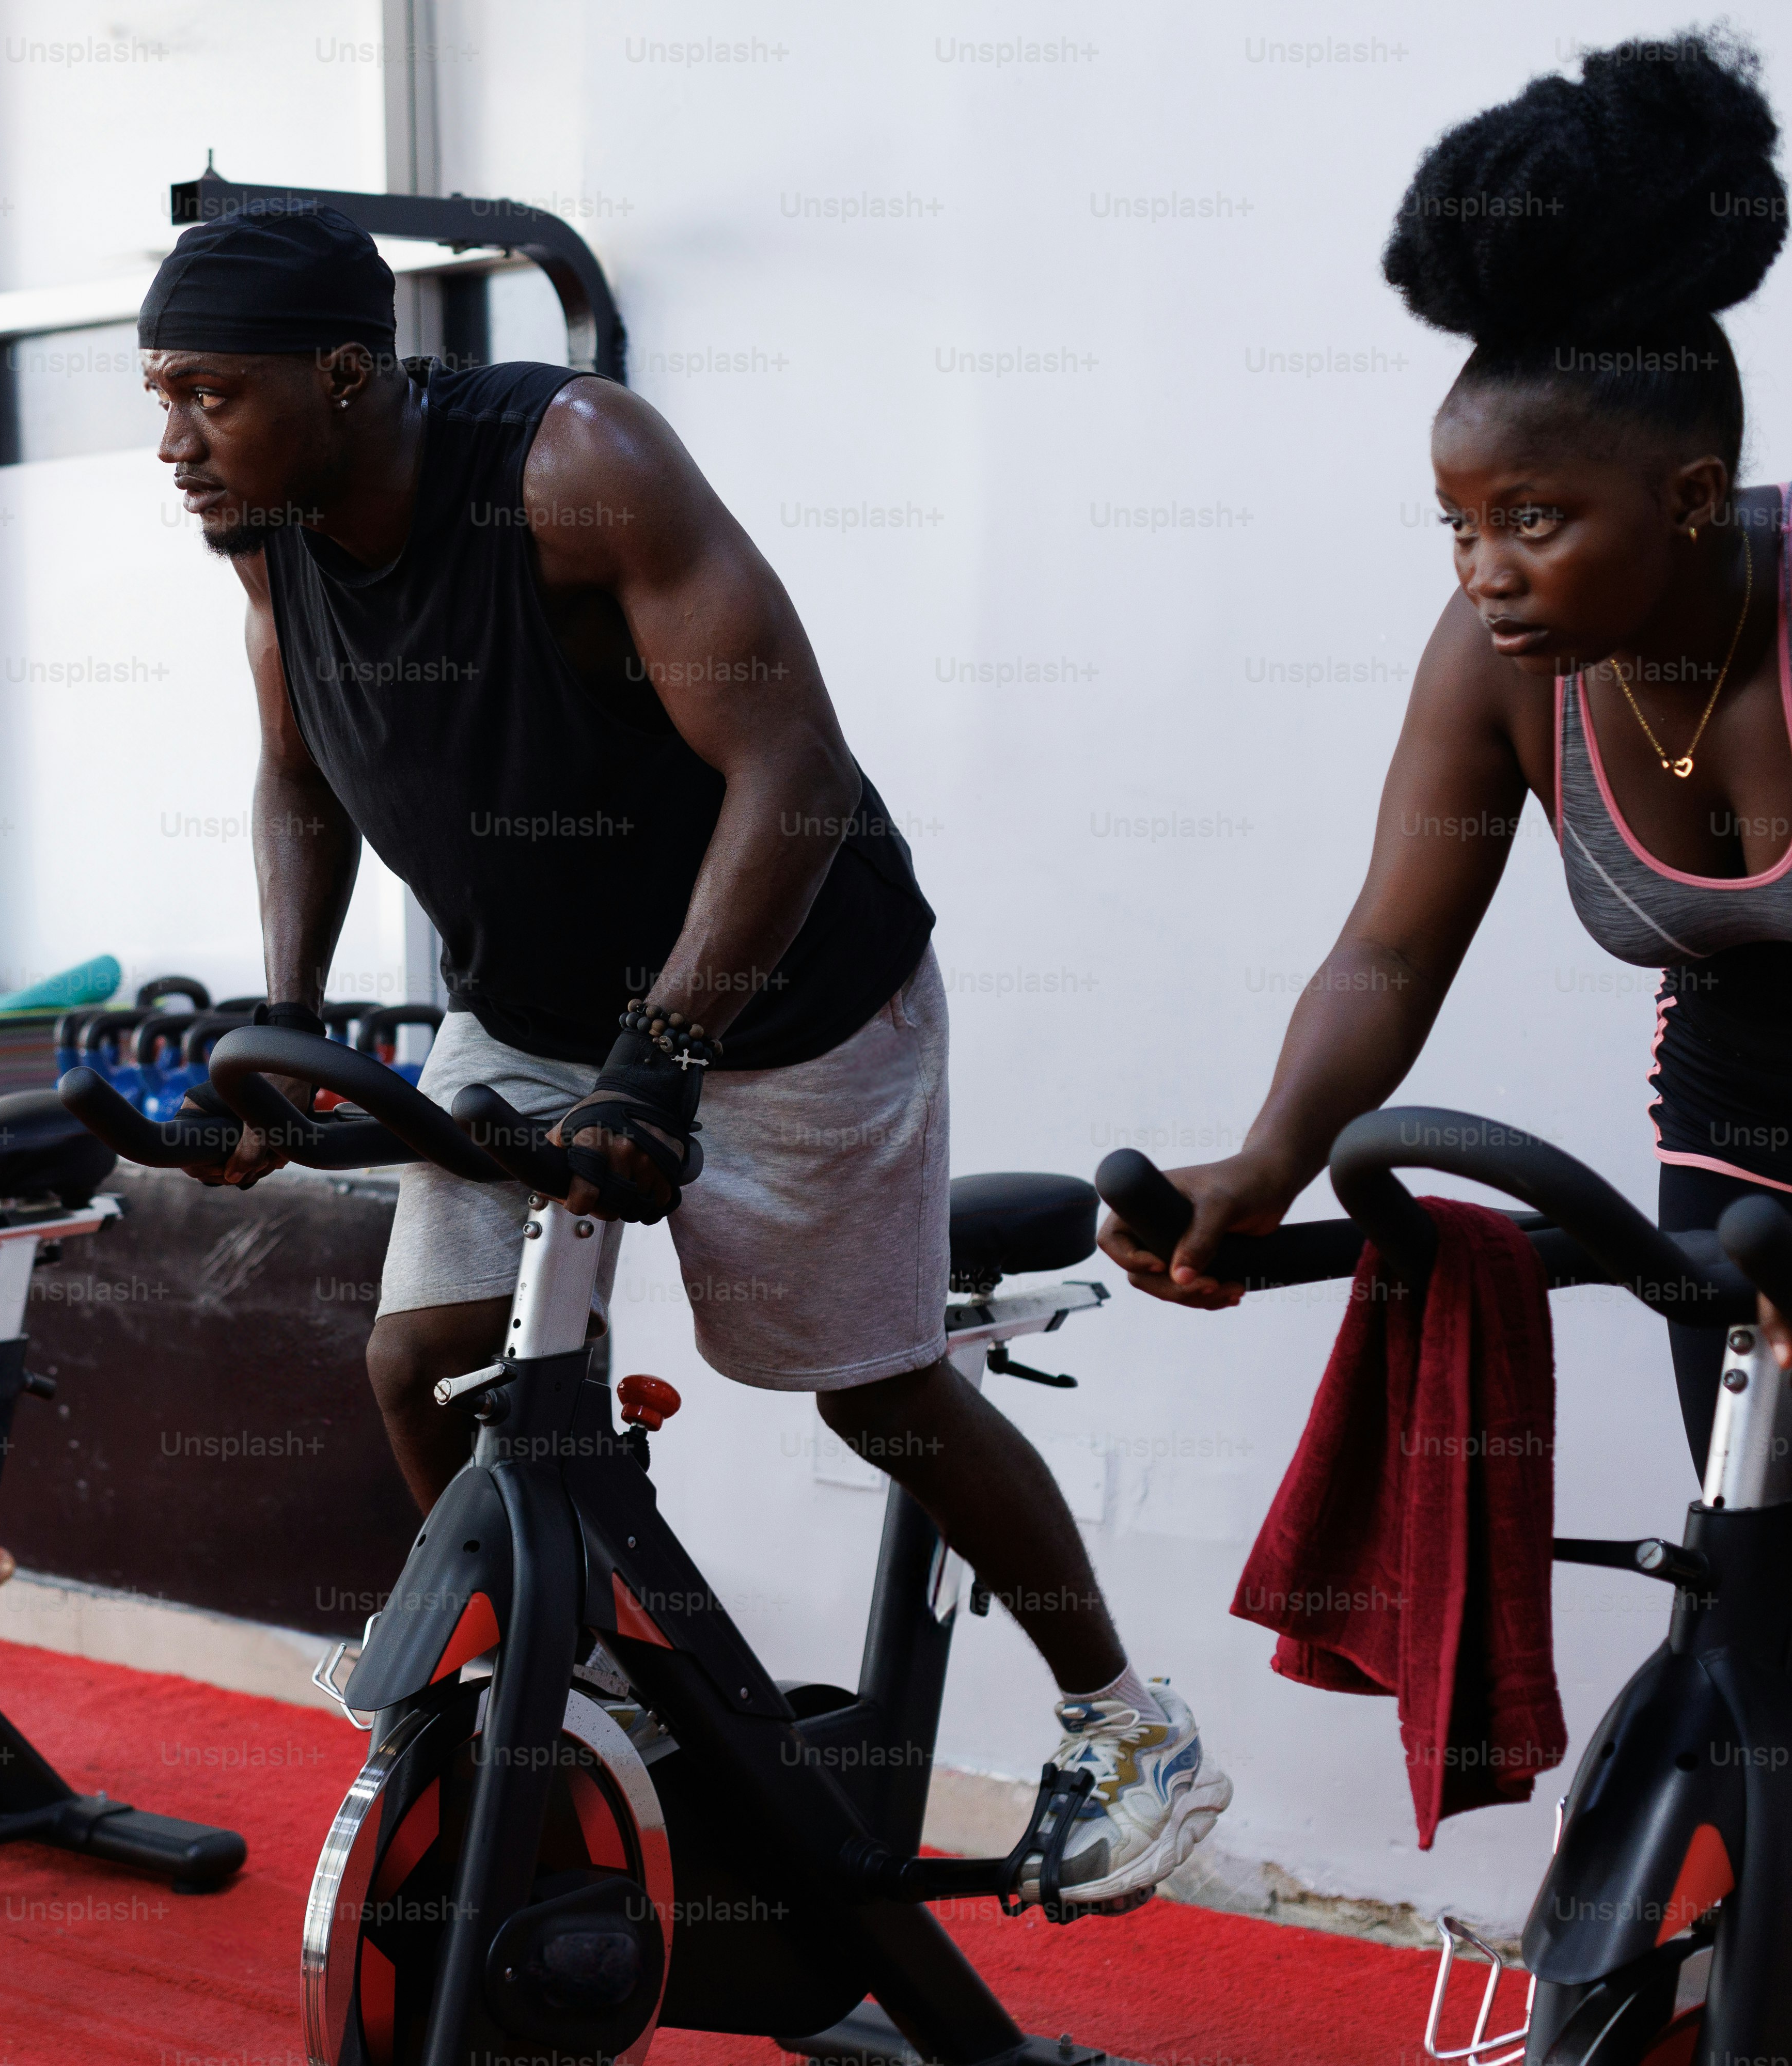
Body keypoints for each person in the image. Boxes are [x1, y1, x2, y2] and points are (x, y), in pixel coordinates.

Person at [138, 205, 1230, 1908]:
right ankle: (577, 1710)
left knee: (871, 1391)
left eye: (210, 395)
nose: (173, 441)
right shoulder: (267, 532)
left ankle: (1131, 1729)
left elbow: (787, 765)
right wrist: (284, 1026)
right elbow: (298, 771)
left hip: (792, 998)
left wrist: (663, 1060)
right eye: (160, 396)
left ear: (344, 373)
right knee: (427, 1358)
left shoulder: (581, 467)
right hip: (531, 1003)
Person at [1098, 33, 1792, 1484]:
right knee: (1762, 1602)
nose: (1486, 569)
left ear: (1691, 497)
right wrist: (1271, 1157)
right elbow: (1391, 951)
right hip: (1735, 1164)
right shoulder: (1494, 668)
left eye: (1533, 518)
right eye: (1459, 522)